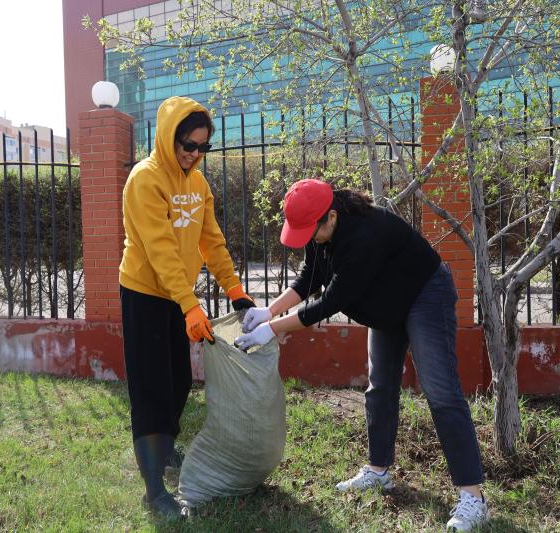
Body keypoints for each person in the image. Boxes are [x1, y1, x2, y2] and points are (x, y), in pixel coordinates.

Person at [235, 179, 490, 532]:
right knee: (380, 387)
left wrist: (273, 329)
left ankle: (473, 497)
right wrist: (269, 311)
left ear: (332, 218)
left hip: (423, 295)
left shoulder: (364, 236)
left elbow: (331, 301)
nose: (309, 239)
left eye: (312, 231)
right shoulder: (322, 228)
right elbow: (312, 276)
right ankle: (379, 471)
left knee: (441, 391)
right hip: (386, 305)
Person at [120, 96, 254, 519]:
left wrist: (235, 290)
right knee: (152, 390)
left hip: (177, 297)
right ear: (168, 137)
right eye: (187, 146)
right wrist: (190, 304)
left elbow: (210, 241)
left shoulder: (198, 185)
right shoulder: (146, 180)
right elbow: (160, 251)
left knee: (178, 382)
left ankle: (164, 448)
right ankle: (154, 491)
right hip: (144, 292)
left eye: (202, 147)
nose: (194, 155)